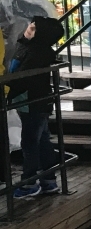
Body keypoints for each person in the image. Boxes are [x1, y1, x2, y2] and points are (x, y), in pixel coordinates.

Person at [7, 16, 65, 198]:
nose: (27, 31)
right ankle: (49, 180)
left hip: (33, 103)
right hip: (36, 103)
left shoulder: (35, 53)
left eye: (32, 29)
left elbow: (23, 79)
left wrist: (8, 94)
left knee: (30, 142)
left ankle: (29, 182)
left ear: (41, 35)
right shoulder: (31, 48)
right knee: (42, 141)